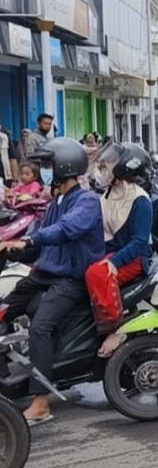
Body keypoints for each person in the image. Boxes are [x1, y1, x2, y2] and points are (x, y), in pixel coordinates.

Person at [0, 137, 104, 425]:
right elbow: (38, 243)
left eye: (48, 164)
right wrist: (12, 246)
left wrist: (30, 240)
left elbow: (65, 231)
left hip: (71, 280)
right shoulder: (56, 202)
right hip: (45, 275)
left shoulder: (87, 201)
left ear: (64, 166)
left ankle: (41, 402)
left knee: (41, 327)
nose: (44, 170)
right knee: (5, 307)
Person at [85, 143, 154, 356]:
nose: (104, 168)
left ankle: (115, 328)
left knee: (97, 273)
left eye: (110, 164)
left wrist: (114, 263)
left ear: (125, 168)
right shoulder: (108, 194)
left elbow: (139, 242)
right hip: (113, 252)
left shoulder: (140, 200)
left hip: (134, 258)